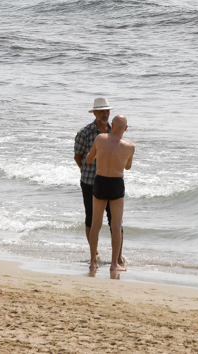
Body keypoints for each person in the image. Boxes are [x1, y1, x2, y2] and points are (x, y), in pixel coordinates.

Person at [85, 114, 135, 278]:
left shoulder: (100, 138)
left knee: (96, 223)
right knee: (116, 224)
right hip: (116, 183)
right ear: (126, 128)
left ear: (111, 125)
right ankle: (114, 264)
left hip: (100, 181)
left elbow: (89, 159)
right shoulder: (129, 146)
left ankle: (93, 261)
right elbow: (128, 167)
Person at [74, 97, 120, 270]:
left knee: (115, 220)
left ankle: (117, 257)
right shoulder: (84, 133)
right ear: (94, 113)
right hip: (89, 181)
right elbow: (78, 156)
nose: (105, 114)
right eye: (101, 111)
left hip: (111, 180)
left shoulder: (115, 131)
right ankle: (94, 254)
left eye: (107, 111)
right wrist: (86, 171)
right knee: (91, 218)